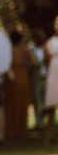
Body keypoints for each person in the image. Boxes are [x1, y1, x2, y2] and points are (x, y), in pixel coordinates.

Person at [4, 30, 35, 140]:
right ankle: (21, 130)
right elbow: (34, 63)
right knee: (21, 105)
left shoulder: (8, 51)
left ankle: (11, 130)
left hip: (11, 81)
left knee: (11, 105)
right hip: (22, 80)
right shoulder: (24, 50)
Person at [28, 28, 48, 131]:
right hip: (37, 77)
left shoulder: (46, 47)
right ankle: (39, 123)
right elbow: (29, 64)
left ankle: (45, 120)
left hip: (47, 77)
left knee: (46, 101)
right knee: (37, 100)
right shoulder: (31, 49)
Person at [44, 16, 58, 146]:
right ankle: (49, 136)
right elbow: (46, 59)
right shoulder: (50, 42)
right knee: (51, 107)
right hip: (54, 73)